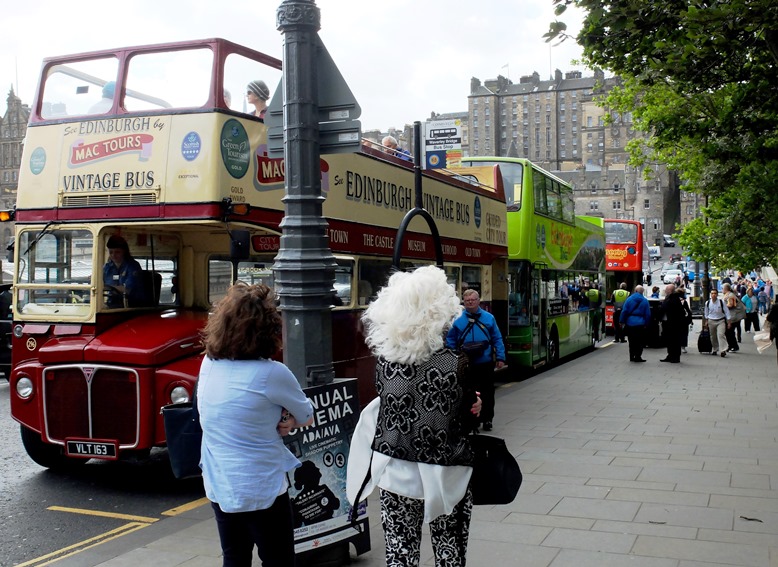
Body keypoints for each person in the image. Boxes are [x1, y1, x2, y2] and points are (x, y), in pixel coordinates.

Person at [347, 266, 482, 567]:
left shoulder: (384, 363)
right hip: (446, 475)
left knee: (400, 556)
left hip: (396, 473)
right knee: (450, 553)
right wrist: (477, 406)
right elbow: (466, 419)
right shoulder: (455, 363)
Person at [197, 282, 314, 567]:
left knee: (234, 557)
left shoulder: (208, 364)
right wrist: (285, 419)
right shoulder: (272, 373)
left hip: (220, 483)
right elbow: (306, 415)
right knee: (278, 559)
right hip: (262, 487)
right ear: (268, 331)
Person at [446, 288, 506, 432]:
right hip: (465, 363)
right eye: (467, 301)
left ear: (479, 301)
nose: (470, 302)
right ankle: (473, 419)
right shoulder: (457, 319)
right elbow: (451, 340)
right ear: (464, 302)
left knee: (487, 391)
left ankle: (487, 419)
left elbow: (497, 338)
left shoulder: (489, 318)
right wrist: (452, 358)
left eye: (473, 300)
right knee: (468, 392)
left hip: (484, 362)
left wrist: (500, 357)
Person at [103, 235, 146, 308]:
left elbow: (127, 290)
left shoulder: (133, 266)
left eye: (117, 252)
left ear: (124, 252)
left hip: (132, 306)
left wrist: (106, 287)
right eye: (111, 252)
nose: (113, 255)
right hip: (112, 304)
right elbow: (100, 282)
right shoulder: (107, 267)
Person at [619, 285, 651, 362]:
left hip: (630, 323)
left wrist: (622, 321)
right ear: (642, 292)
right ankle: (638, 356)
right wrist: (647, 324)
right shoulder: (645, 301)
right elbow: (648, 314)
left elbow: (624, 311)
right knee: (640, 341)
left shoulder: (629, 299)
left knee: (631, 341)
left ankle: (631, 356)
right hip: (640, 324)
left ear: (635, 291)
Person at [659, 283, 685, 363]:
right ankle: (670, 355)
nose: (665, 291)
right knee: (669, 340)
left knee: (674, 341)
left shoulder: (673, 299)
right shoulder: (670, 298)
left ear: (670, 291)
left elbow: (666, 308)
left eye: (666, 289)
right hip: (668, 323)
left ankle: (675, 357)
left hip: (673, 324)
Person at [704, 288, 731, 357]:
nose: (713, 295)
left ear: (717, 294)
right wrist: (706, 321)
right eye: (712, 293)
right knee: (713, 336)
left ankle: (723, 350)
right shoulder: (708, 303)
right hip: (711, 320)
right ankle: (715, 349)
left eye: (715, 293)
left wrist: (729, 322)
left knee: (721, 334)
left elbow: (727, 312)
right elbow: (706, 313)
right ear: (710, 295)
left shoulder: (721, 302)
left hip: (720, 320)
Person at [722, 283, 742, 352]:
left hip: (732, 317)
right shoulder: (729, 294)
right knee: (728, 332)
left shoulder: (730, 295)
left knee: (729, 332)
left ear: (725, 289)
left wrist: (723, 307)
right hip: (731, 316)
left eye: (722, 288)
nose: (722, 290)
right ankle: (730, 346)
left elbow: (731, 305)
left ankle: (734, 346)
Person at [677, 286, 694, 354]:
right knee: (684, 334)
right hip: (684, 320)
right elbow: (688, 311)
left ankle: (677, 345)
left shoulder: (674, 300)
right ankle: (683, 347)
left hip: (676, 320)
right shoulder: (684, 302)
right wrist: (690, 320)